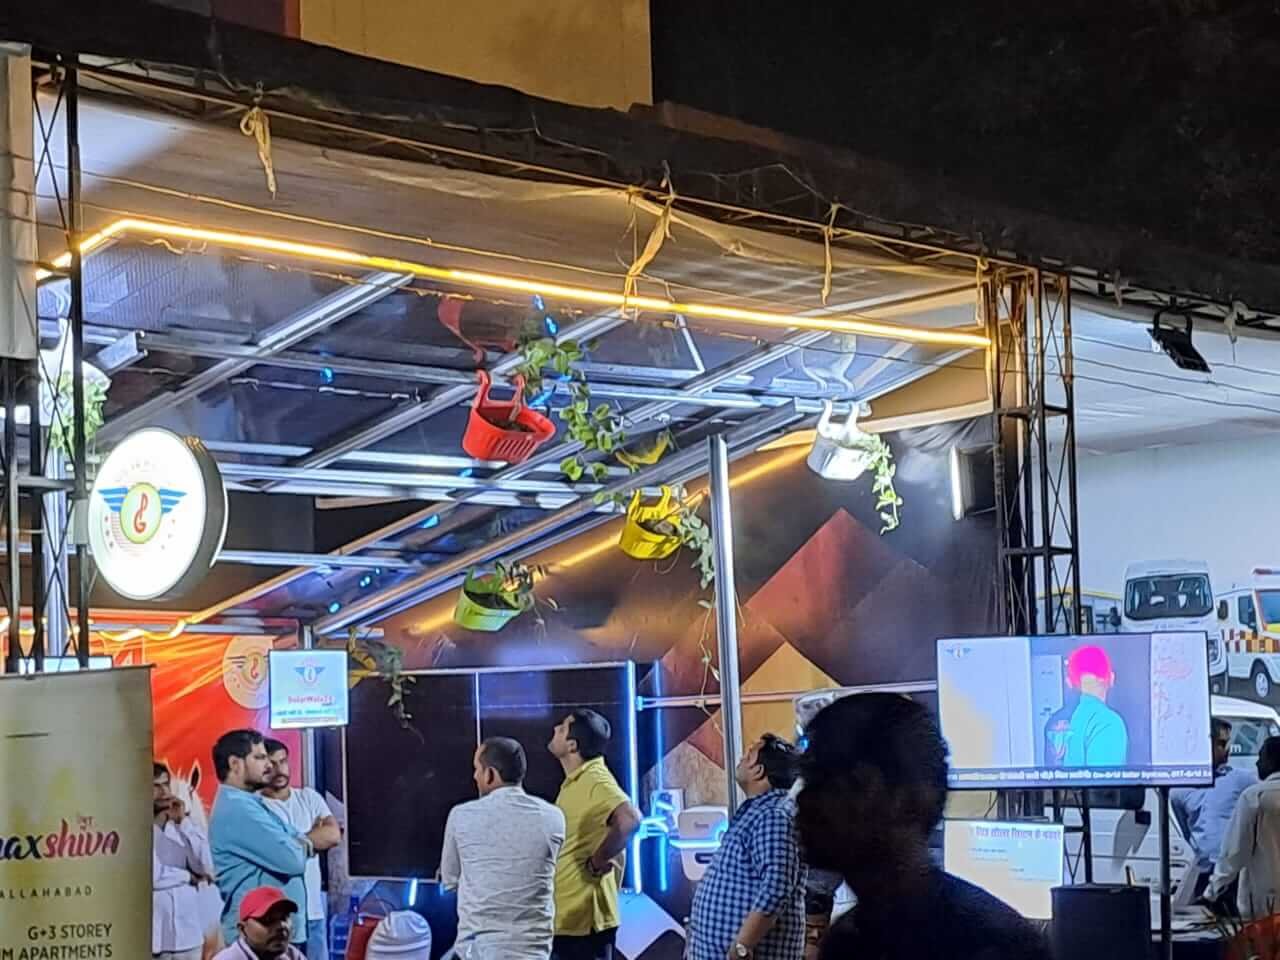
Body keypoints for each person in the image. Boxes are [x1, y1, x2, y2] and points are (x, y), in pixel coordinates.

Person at [795, 693, 1049, 960]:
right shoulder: (847, 942)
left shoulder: (993, 946)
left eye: (823, 780)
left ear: (903, 798)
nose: (804, 799)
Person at [440, 737, 567, 958]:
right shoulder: (554, 817)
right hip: (535, 953)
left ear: (490, 774)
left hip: (477, 952)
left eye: (477, 769)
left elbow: (450, 881)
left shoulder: (460, 816)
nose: (474, 776)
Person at [688, 735, 806, 960]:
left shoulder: (774, 815)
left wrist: (743, 945)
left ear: (758, 770)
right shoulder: (759, 812)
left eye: (749, 754)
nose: (742, 758)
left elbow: (777, 886)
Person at [209, 730, 317, 955]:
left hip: (274, 936)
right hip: (257, 939)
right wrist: (300, 844)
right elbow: (293, 860)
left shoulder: (251, 803)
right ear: (235, 764)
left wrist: (299, 842)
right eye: (259, 757)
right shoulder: (238, 809)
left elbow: (302, 840)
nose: (269, 765)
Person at [548, 709, 642, 960]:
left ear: (572, 745)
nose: (555, 729)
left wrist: (598, 861)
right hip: (570, 921)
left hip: (585, 924)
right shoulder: (578, 780)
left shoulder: (595, 778)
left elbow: (630, 820)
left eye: (562, 728)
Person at [260, 739, 342, 960]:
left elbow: (333, 835)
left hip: (314, 913)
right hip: (277, 917)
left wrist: (291, 842)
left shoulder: (308, 797)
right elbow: (273, 853)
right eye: (272, 764)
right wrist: (313, 837)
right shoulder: (256, 808)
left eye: (283, 761)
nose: (279, 769)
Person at [1172, 718, 1255, 896]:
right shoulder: (1179, 789)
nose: (1228, 749)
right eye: (1222, 743)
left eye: (1228, 743)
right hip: (1202, 870)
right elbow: (1185, 829)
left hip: (1234, 872)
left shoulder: (1241, 780)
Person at [1205, 736, 1280, 919]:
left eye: (1261, 757)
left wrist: (1212, 891)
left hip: (1265, 908)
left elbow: (1234, 852)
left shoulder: (1255, 796)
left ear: (1272, 760)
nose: (1257, 763)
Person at [154, 762, 215, 960]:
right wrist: (188, 876)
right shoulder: (132, 829)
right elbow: (153, 876)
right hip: (155, 937)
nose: (164, 791)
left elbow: (207, 867)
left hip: (189, 936)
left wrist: (184, 823)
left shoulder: (183, 826)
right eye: (155, 786)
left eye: (166, 784)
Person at [1061, 645, 1128, 767]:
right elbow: (1104, 777)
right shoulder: (1108, 722)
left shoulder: (1075, 717)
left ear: (1073, 682)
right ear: (1110, 677)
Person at [213, 886, 307, 960]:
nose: (281, 926)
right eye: (268, 920)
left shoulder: (291, 955)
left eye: (284, 918)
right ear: (242, 929)